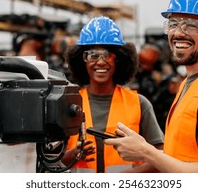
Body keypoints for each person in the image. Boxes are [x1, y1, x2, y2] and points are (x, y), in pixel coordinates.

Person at [105, 0, 198, 173]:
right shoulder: (190, 83)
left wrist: (146, 151)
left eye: (191, 26)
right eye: (173, 24)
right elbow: (178, 157)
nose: (178, 33)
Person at [62, 16, 164, 173]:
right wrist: (73, 155)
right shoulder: (68, 103)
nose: (101, 62)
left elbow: (161, 158)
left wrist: (124, 179)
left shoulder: (139, 103)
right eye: (93, 55)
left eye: (108, 55)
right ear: (82, 60)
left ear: (120, 59)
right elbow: (49, 161)